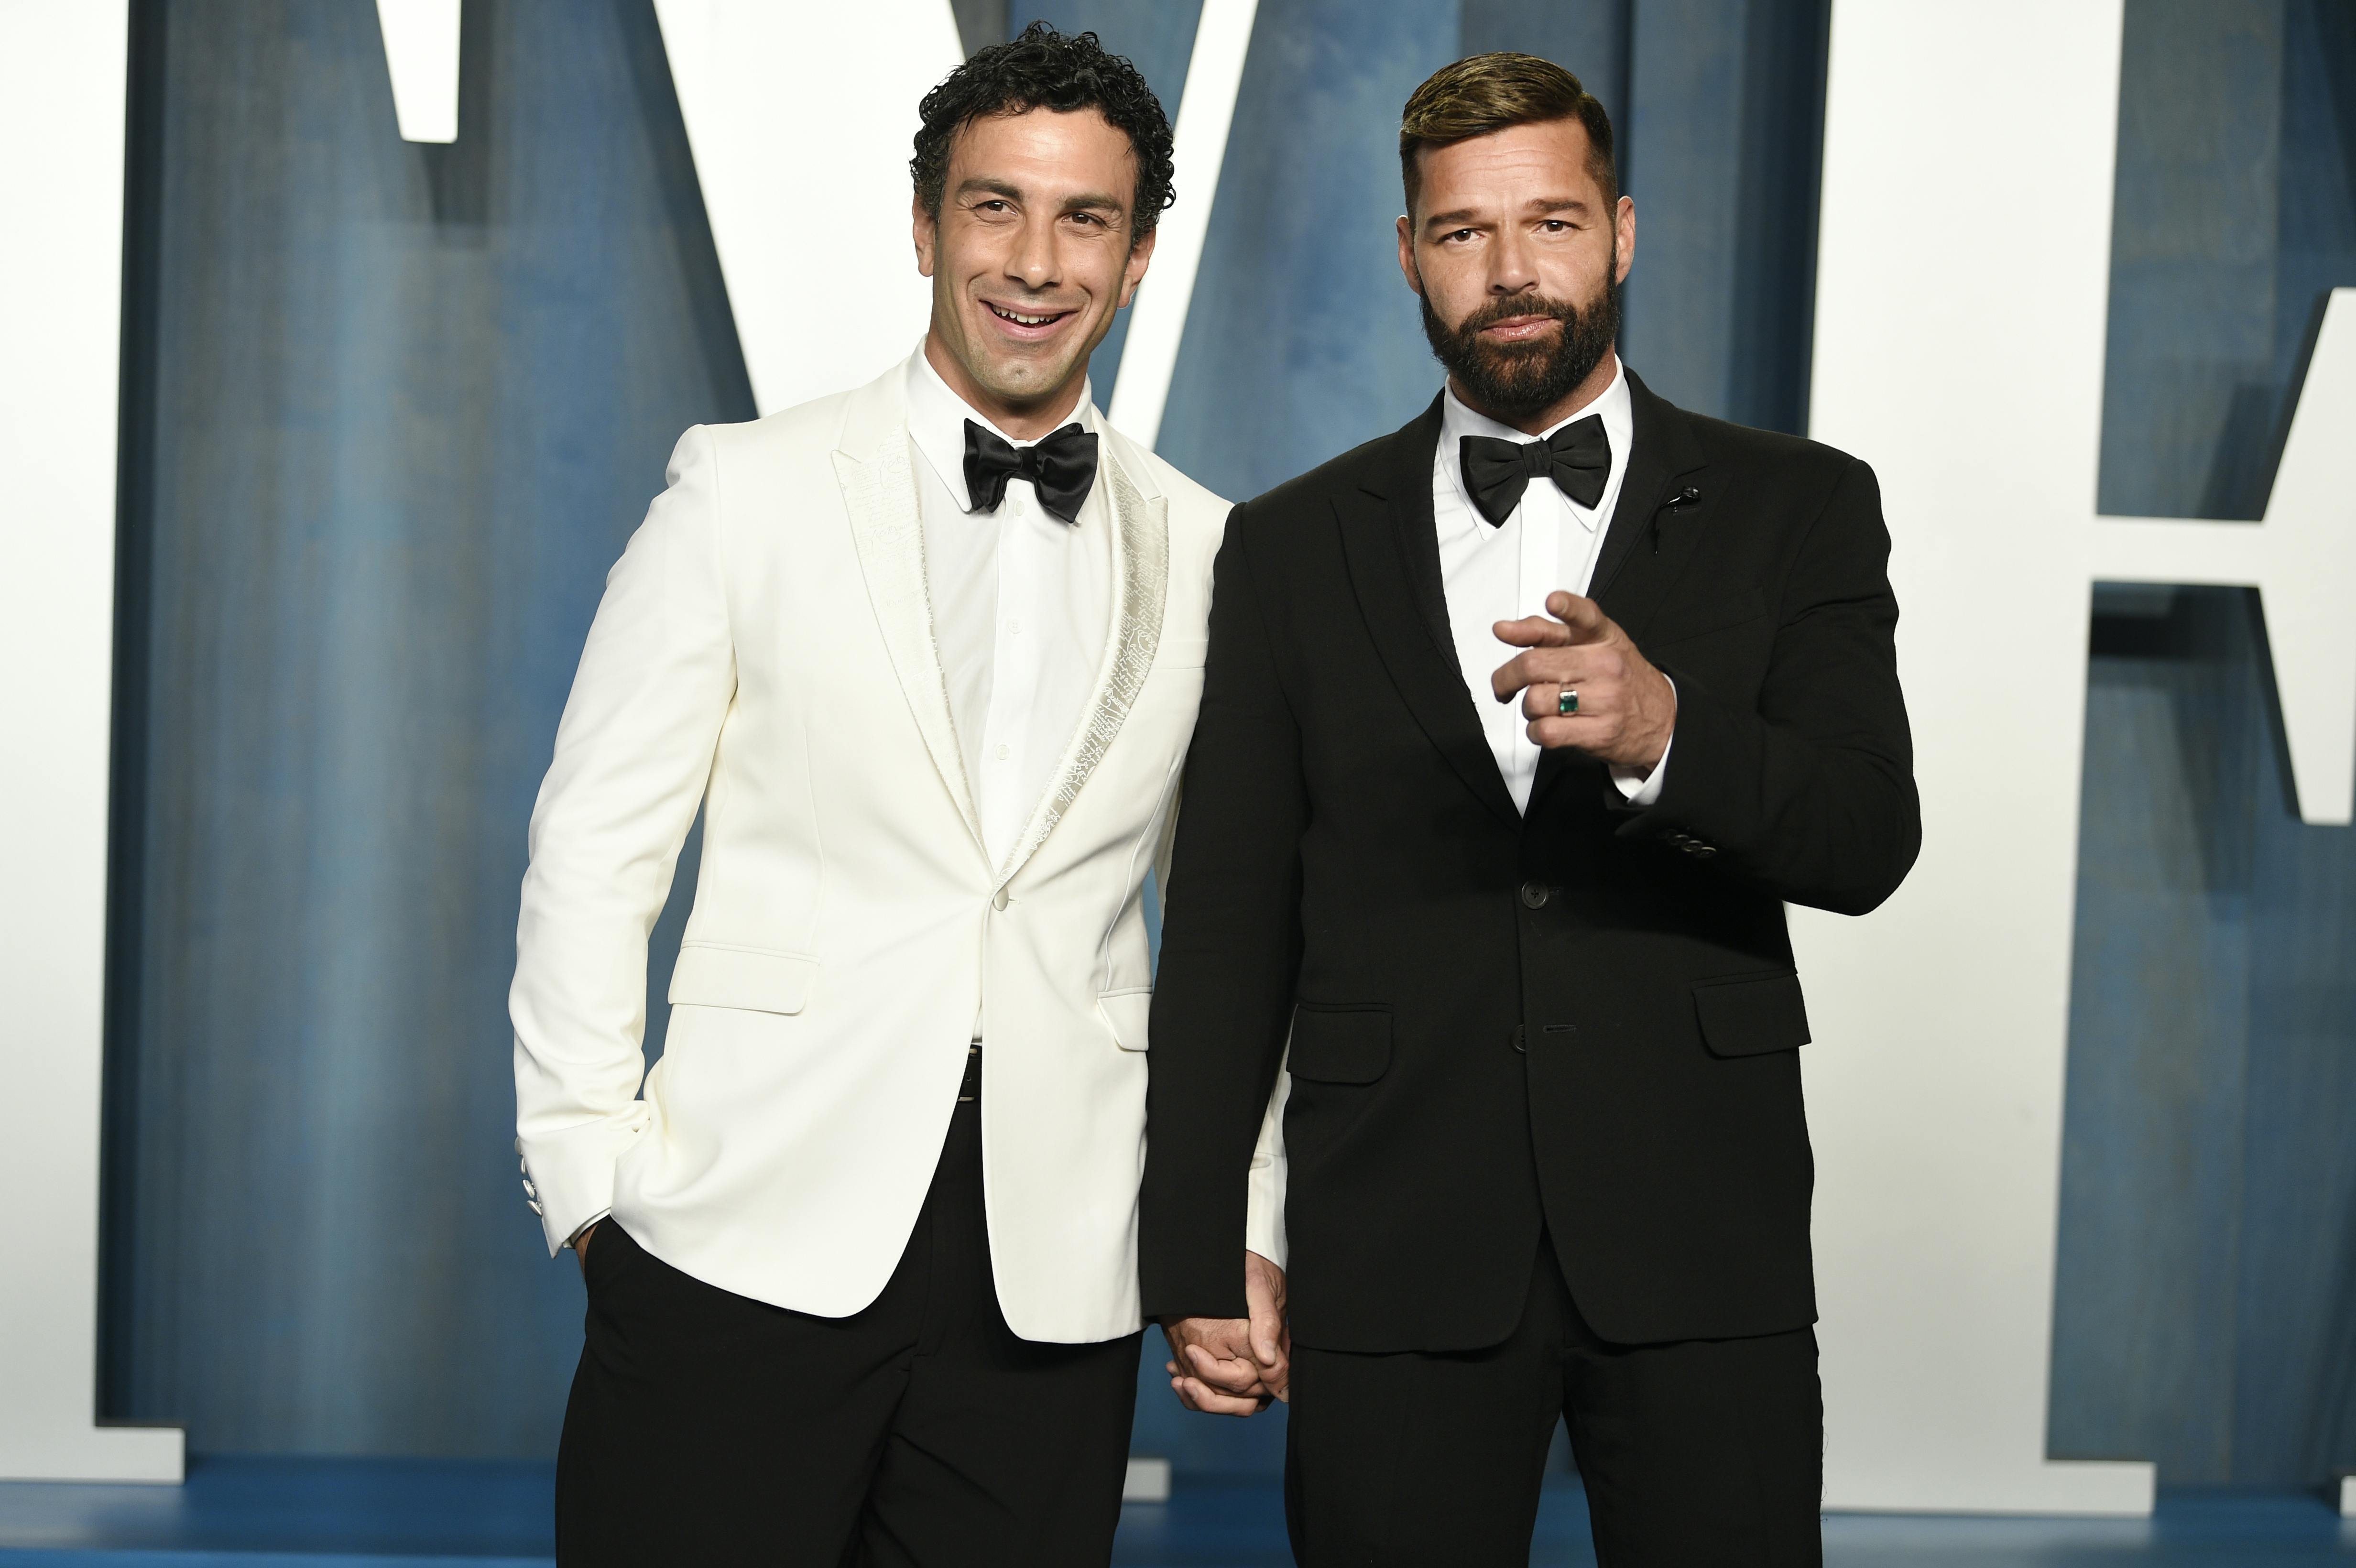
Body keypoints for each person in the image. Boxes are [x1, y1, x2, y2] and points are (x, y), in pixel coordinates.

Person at [511, 25, 1279, 1566]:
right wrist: (594, 1183)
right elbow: (595, 848)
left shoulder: (1210, 550)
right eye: (996, 207)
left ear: (1135, 262)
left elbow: (1234, 933)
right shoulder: (744, 489)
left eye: (1087, 220)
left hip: (1054, 1271)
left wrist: (1234, 1226)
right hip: (739, 1235)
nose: (1037, 261)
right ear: (923, 226)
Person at [1141, 52, 1920, 1566]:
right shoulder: (1291, 546)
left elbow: (1867, 836)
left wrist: (1671, 736)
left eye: (1551, 225)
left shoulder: (1801, 505)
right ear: (1408, 255)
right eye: (1463, 233)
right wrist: (1201, 1241)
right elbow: (1232, 922)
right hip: (1394, 1235)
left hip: (1704, 1227)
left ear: (1621, 233)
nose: (1511, 274)